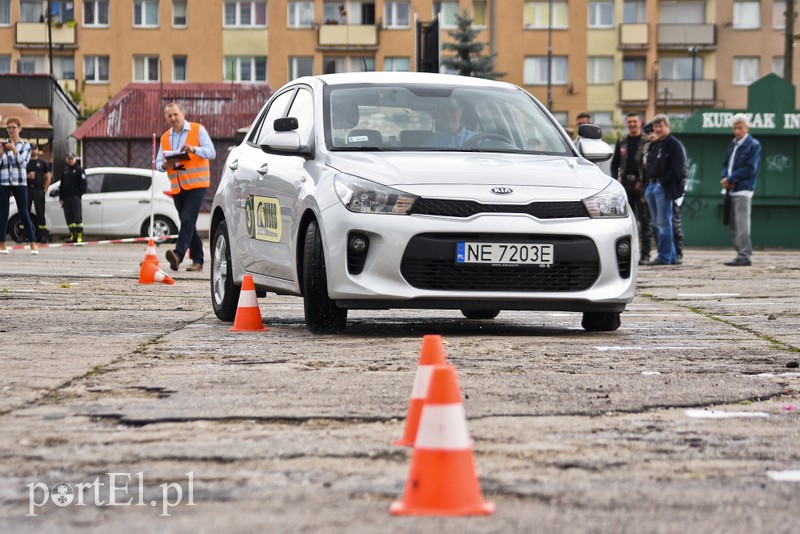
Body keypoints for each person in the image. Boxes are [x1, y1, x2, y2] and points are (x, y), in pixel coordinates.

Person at [156, 102, 216, 272]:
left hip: (197, 184)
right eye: (169, 116)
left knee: (188, 220)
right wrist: (166, 164)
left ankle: (177, 254)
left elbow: (211, 152)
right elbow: (158, 163)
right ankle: (198, 260)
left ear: (182, 113)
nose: (173, 118)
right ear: (166, 118)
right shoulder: (164, 138)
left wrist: (193, 149)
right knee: (187, 223)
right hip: (177, 186)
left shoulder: (197, 130)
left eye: (175, 114)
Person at [644, 114, 686, 266]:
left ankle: (664, 256)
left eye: (661, 126)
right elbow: (649, 165)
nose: (657, 129)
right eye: (655, 126)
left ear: (667, 127)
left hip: (663, 187)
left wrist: (662, 182)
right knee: (657, 223)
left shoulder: (674, 144)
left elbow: (678, 170)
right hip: (651, 186)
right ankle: (672, 256)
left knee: (664, 223)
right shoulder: (656, 144)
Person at [611, 112, 652, 264]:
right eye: (630, 122)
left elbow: (649, 165)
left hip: (641, 185)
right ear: (627, 123)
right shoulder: (621, 140)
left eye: (635, 121)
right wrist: (616, 180)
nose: (632, 124)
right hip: (625, 185)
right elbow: (615, 162)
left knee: (644, 220)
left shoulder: (647, 140)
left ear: (640, 123)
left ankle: (646, 255)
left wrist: (643, 183)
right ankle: (627, 254)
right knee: (625, 222)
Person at [720, 114, 761, 267]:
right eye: (735, 128)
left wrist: (731, 179)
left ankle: (744, 255)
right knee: (732, 224)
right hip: (729, 190)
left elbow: (750, 168)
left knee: (742, 224)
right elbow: (724, 164)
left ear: (747, 128)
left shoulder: (753, 145)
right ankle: (740, 253)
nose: (737, 131)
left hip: (743, 190)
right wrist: (725, 178)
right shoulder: (732, 144)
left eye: (740, 128)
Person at [0, 117, 38, 254]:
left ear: (19, 129)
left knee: (23, 211)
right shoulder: (2, 145)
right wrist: (0, 155)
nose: (11, 130)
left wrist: (14, 150)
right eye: (8, 128)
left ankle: (33, 242)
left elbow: (23, 164)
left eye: (13, 127)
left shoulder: (25, 145)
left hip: (19, 182)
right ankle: (2, 243)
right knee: (2, 212)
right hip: (3, 182)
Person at [26, 144, 52, 243]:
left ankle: (43, 235)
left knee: (40, 213)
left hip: (38, 190)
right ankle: (27, 234)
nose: (33, 151)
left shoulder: (43, 162)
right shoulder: (25, 162)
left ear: (37, 150)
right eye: (31, 149)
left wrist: (44, 190)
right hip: (27, 189)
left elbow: (48, 178)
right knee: (26, 212)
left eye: (34, 149)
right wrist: (27, 176)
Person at [59, 153, 87, 243]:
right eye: (69, 159)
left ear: (75, 159)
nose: (70, 160)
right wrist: (61, 198)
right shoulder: (65, 170)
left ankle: (79, 236)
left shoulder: (79, 170)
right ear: (67, 160)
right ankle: (72, 236)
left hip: (75, 197)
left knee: (77, 218)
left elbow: (84, 185)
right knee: (69, 218)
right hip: (66, 198)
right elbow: (61, 185)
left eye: (72, 159)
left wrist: (78, 195)